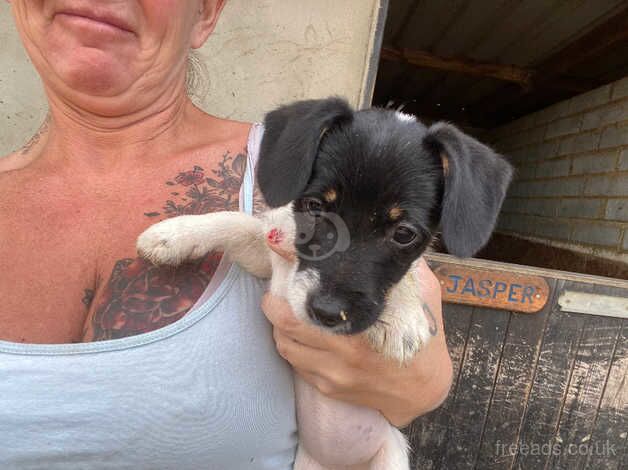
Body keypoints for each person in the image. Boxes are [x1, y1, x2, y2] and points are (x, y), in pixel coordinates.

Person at [0, 1, 453, 468]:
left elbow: (420, 380)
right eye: (317, 207)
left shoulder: (300, 159)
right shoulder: (307, 155)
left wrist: (422, 378)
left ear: (207, 12)